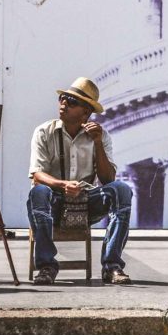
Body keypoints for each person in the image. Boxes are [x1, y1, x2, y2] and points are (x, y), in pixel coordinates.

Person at [28, 77, 133, 285]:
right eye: (62, 98)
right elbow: (37, 174)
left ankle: (112, 266)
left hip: (86, 202)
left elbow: (107, 179)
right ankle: (47, 266)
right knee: (38, 192)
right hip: (55, 201)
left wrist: (97, 143)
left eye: (71, 101)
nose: (63, 104)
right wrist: (62, 185)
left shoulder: (100, 136)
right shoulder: (44, 132)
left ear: (86, 113)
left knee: (121, 190)